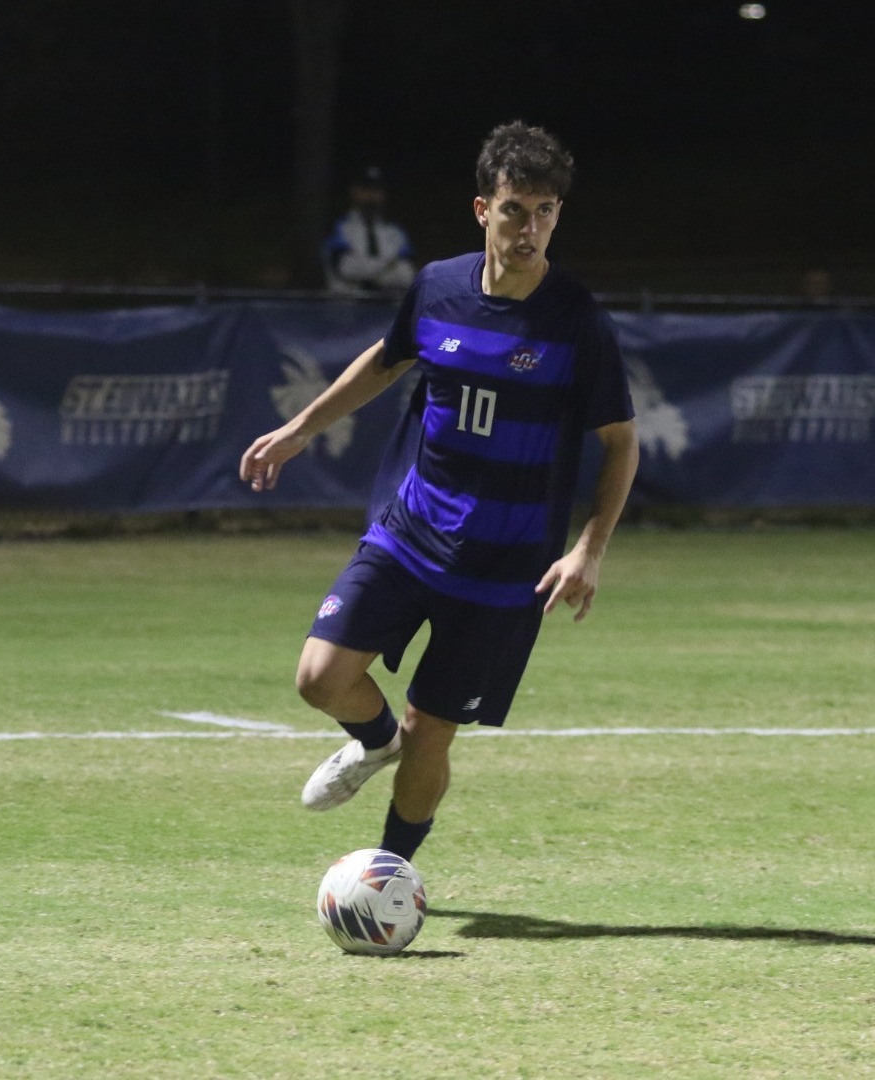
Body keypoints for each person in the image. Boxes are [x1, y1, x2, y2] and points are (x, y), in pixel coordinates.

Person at [240, 121, 639, 865]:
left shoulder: (579, 323)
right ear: (482, 209)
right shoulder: (438, 287)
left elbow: (620, 442)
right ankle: (375, 742)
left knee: (435, 730)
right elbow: (387, 360)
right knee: (320, 678)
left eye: (547, 211)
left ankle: (389, 872)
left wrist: (589, 549)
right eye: (516, 209)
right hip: (413, 530)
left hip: (505, 566)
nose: (532, 228)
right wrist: (299, 429)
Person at [322, 165, 417, 295]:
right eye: (365, 189)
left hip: (389, 312)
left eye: (377, 190)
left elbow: (407, 275)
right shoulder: (339, 228)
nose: (371, 196)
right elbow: (346, 269)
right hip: (347, 310)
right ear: (354, 191)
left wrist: (363, 275)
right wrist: (390, 264)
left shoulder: (396, 233)